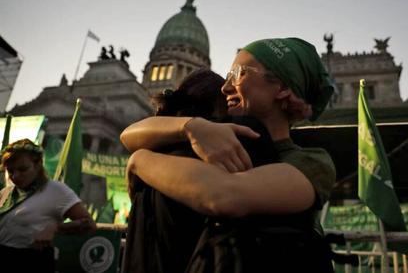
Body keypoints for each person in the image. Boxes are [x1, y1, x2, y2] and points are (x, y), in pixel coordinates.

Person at [121, 38, 336, 272]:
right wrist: (190, 127)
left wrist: (139, 160)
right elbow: (128, 135)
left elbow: (223, 196)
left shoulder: (311, 162)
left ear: (282, 88)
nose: (225, 87)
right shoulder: (209, 142)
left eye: (239, 74)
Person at [122, 68, 279, 273]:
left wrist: (137, 159)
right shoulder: (242, 135)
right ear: (221, 103)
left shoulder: (149, 149)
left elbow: (126, 137)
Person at [0, 139, 96, 272]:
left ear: (38, 164)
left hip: (33, 262)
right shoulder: (6, 193)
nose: (15, 176)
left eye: (22, 169)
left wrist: (55, 228)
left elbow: (89, 224)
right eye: (10, 171)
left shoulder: (56, 190)